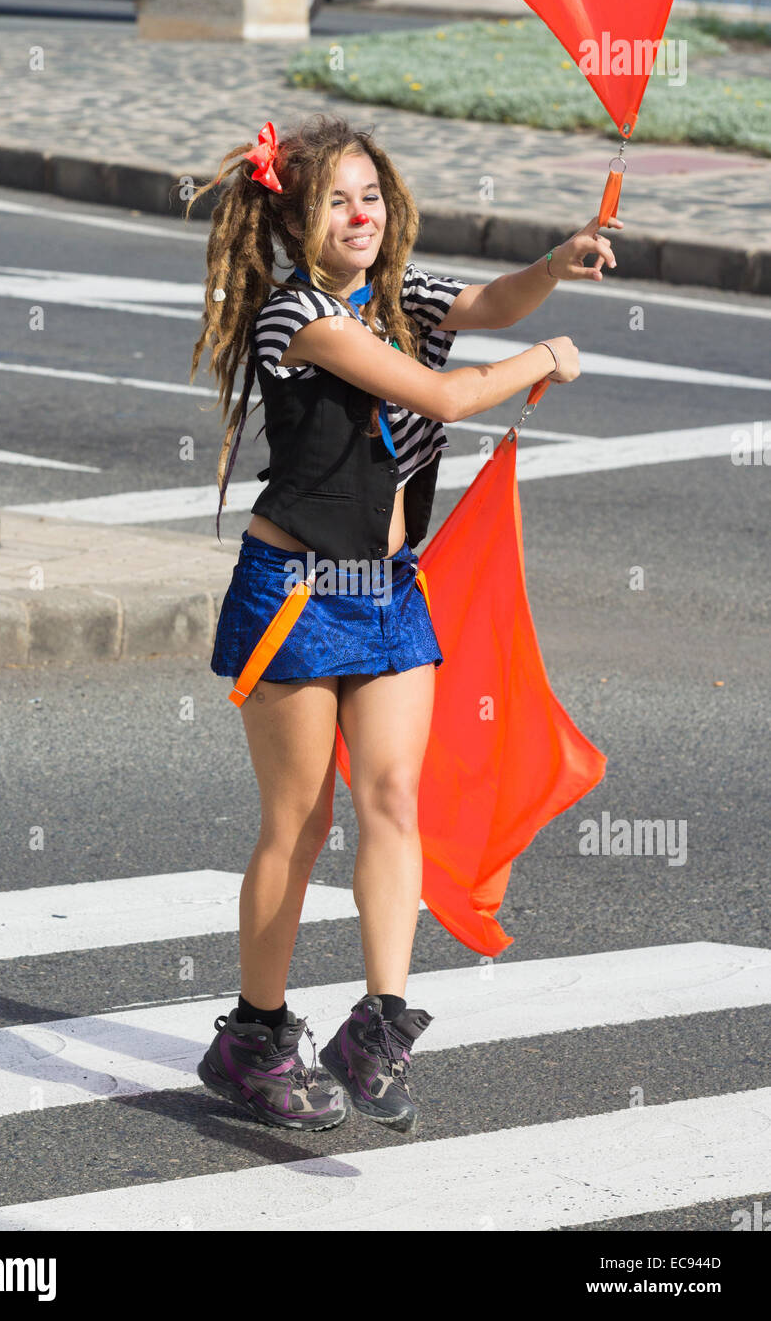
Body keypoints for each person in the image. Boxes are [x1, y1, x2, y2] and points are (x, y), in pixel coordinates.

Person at [185, 112, 619, 1136]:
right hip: (292, 592)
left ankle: (376, 1030)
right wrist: (541, 358)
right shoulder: (297, 317)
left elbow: (485, 303)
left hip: (386, 591)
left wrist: (550, 266)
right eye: (336, 199)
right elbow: (439, 391)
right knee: (299, 823)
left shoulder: (402, 295)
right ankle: (252, 1038)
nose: (359, 214)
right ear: (296, 218)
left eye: (369, 195)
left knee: (390, 797)